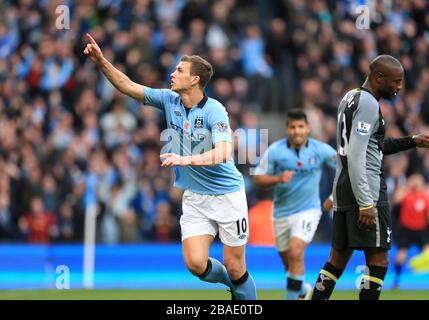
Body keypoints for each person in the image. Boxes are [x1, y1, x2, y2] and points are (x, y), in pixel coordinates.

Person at [83, 34, 256, 299]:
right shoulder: (168, 100)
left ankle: (241, 289)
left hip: (227, 196)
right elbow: (127, 86)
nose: (172, 73)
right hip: (196, 197)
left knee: (235, 265)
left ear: (195, 79)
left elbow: (223, 152)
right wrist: (101, 61)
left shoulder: (215, 110)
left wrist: (187, 159)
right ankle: (234, 286)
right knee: (195, 264)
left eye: (179, 70)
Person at [311, 55, 429, 300]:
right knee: (378, 261)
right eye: (396, 81)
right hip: (367, 190)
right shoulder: (368, 104)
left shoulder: (350, 97)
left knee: (337, 259)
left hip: (344, 188)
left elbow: (371, 145)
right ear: (378, 78)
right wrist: (366, 202)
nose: (399, 87)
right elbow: (356, 154)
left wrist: (411, 141)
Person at [253, 109, 336, 300]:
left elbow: (344, 168)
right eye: (292, 127)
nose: (297, 131)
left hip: (309, 211)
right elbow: (258, 178)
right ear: (286, 129)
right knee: (288, 261)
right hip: (281, 213)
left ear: (307, 128)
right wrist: (278, 178)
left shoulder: (320, 149)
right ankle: (302, 291)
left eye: (300, 126)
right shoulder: (275, 151)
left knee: (296, 252)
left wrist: (335, 196)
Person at [392, 173, 429, 289]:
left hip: (421, 230)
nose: (416, 181)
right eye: (414, 179)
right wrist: (408, 186)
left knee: (427, 254)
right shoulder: (406, 193)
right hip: (406, 230)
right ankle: (396, 281)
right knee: (400, 257)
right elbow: (396, 200)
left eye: (418, 179)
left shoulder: (425, 195)